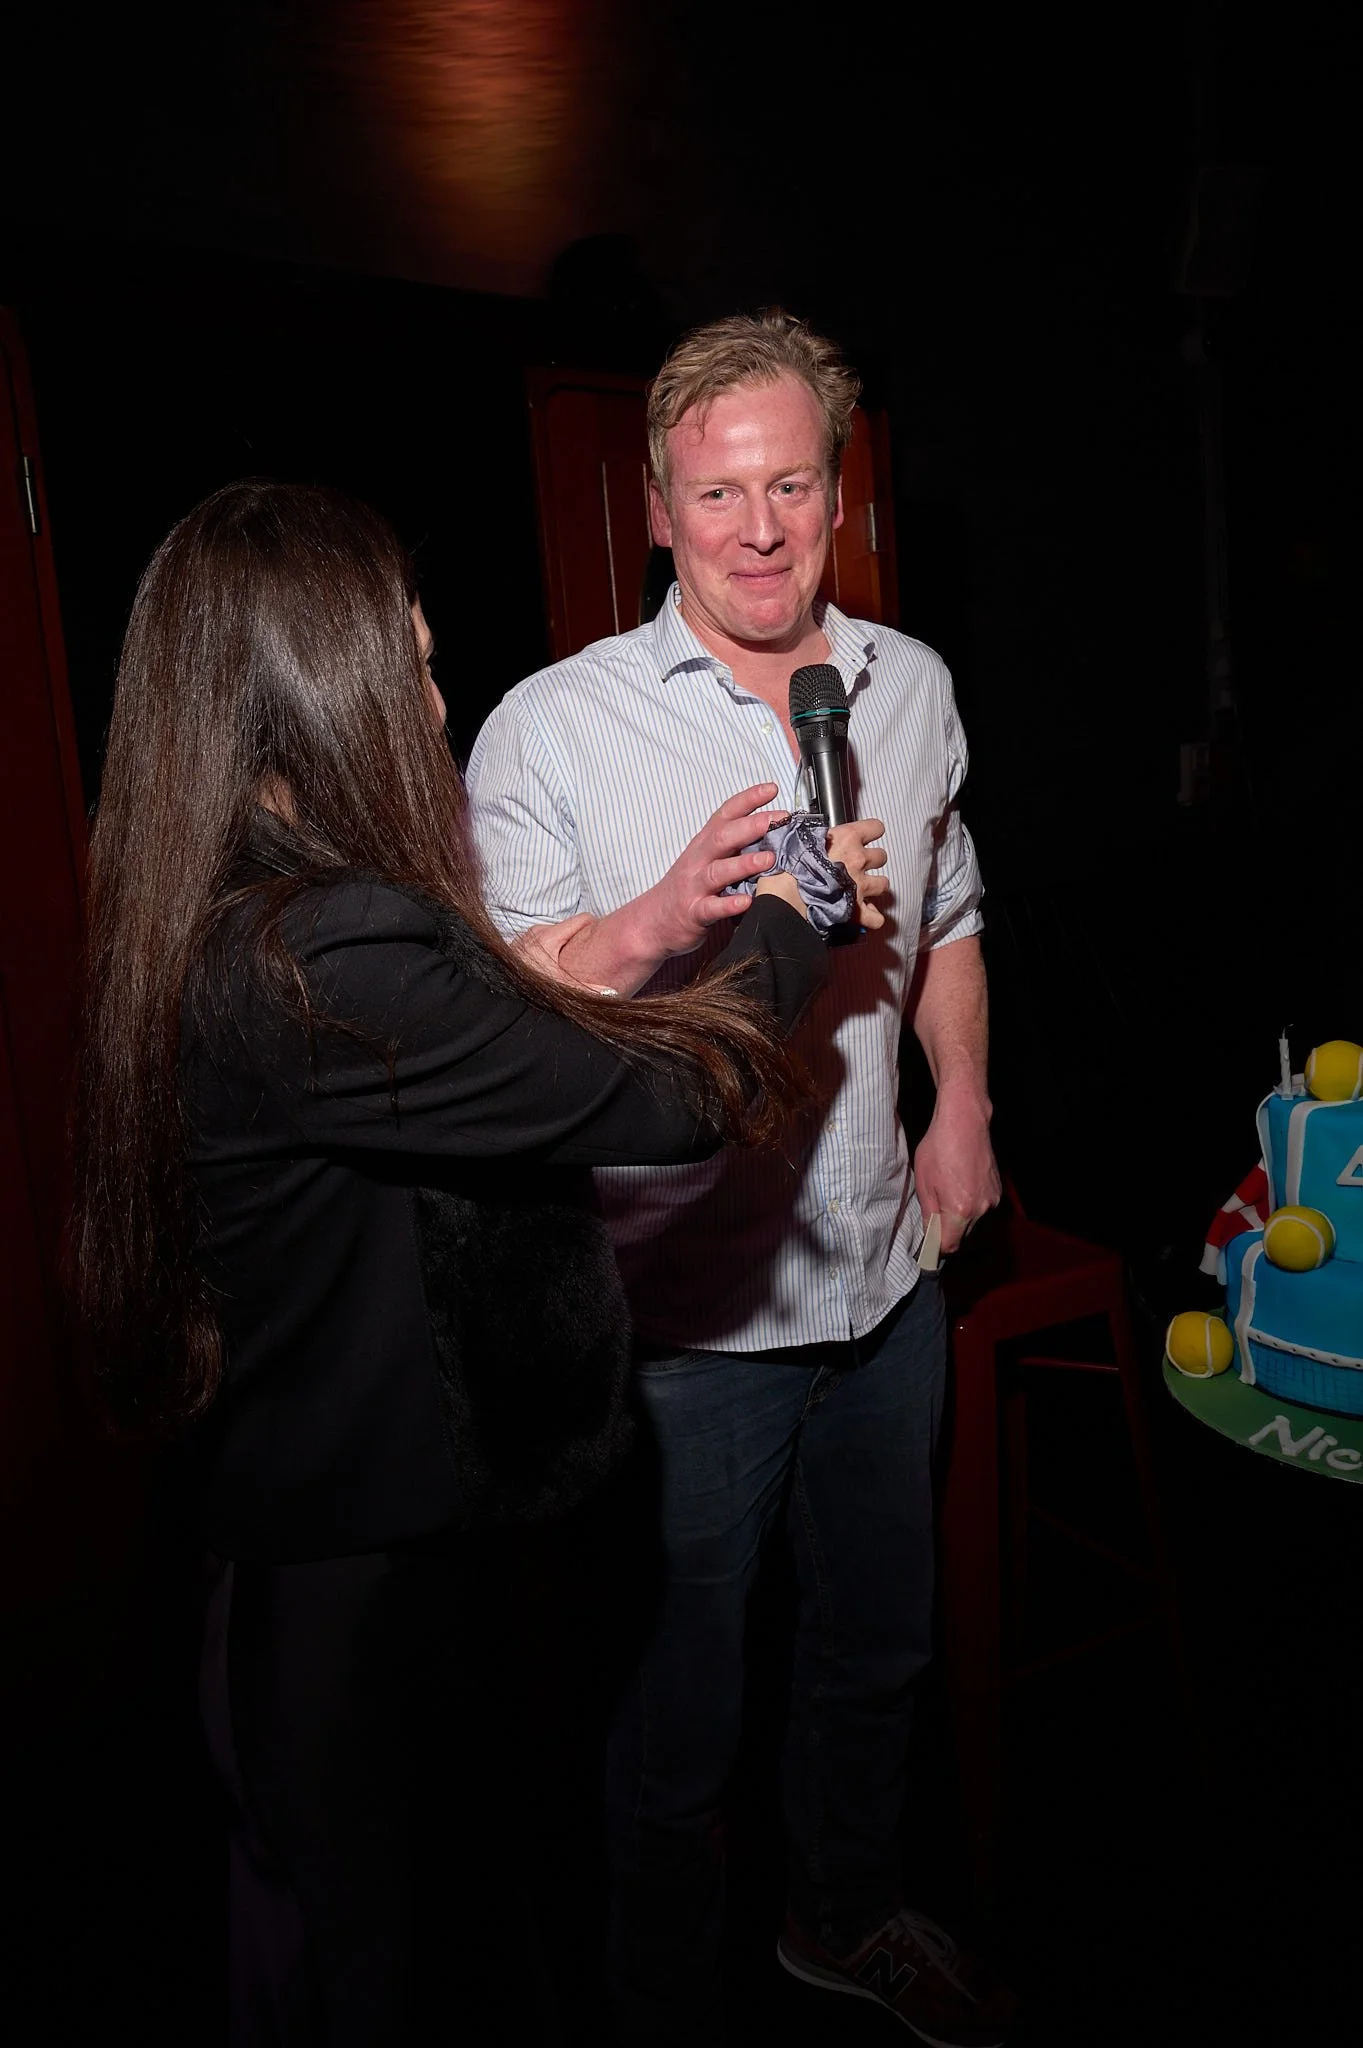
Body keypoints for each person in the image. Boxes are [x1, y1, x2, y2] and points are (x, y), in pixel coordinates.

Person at [68, 479, 887, 2046]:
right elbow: (660, 1103)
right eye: (416, 668)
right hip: (357, 1615)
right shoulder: (318, 954)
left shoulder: (243, 912)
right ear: (319, 698)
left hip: (317, 1558)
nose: (437, 705)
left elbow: (484, 1030)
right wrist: (798, 911)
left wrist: (648, 926)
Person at [467, 311, 1013, 2046]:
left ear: (837, 495)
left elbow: (948, 912)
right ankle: (659, 1995)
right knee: (673, 1711)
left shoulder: (909, 685)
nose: (758, 530)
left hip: (884, 1280)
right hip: (686, 1318)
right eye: (717, 493)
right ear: (655, 507)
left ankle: (839, 1919)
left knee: (877, 1656)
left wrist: (960, 1103)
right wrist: (654, 926)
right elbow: (495, 1014)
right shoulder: (554, 728)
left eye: (790, 487)